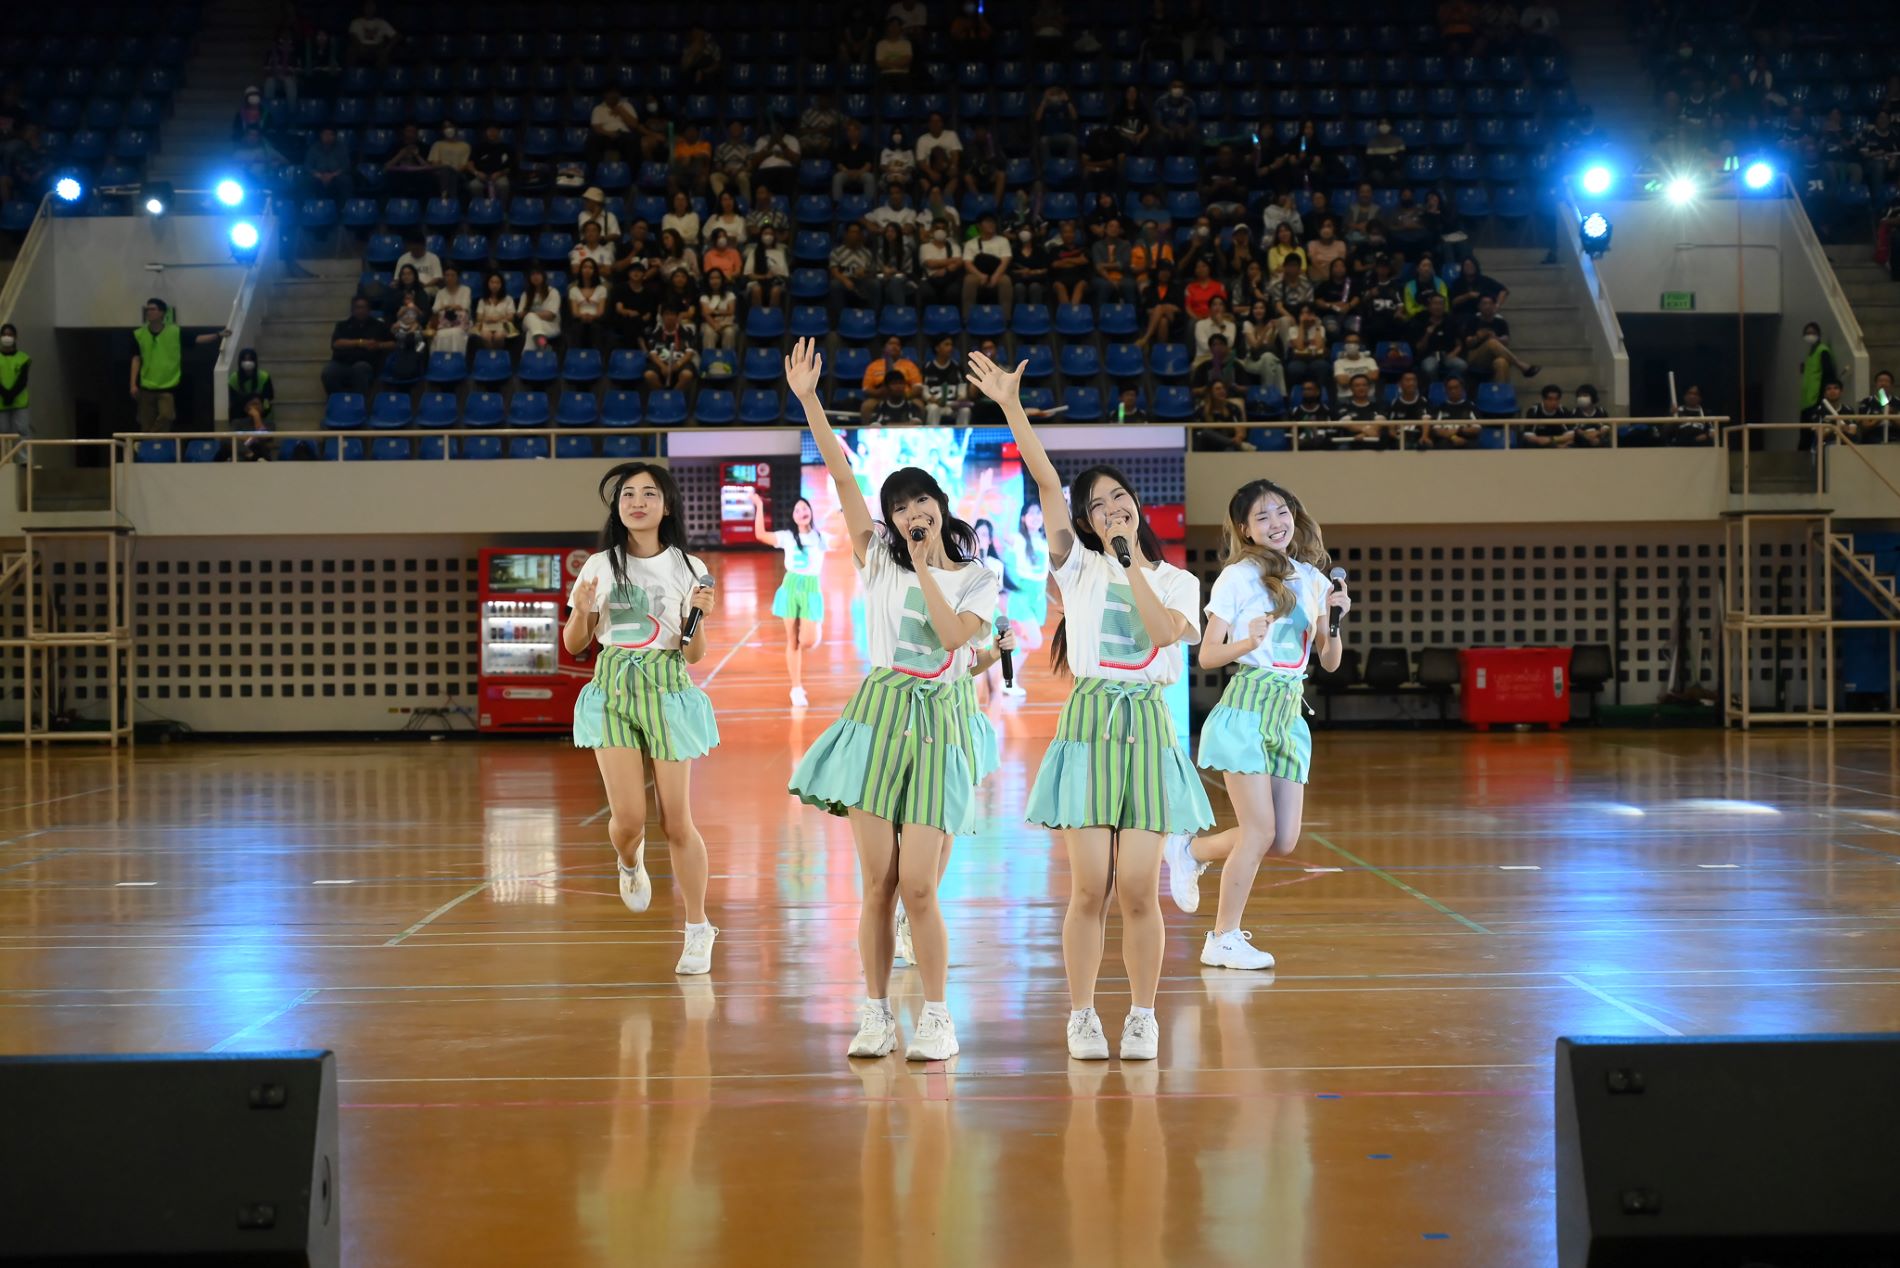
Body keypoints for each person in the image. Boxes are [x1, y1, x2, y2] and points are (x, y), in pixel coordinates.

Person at [965, 349, 1212, 1062]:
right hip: (1089, 725)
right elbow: (1046, 479)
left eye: (1117, 499)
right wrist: (1012, 408)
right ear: (1084, 520)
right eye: (1096, 505)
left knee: (1138, 888)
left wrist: (1133, 563)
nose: (1110, 509)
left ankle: (1142, 1015)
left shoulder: (1177, 581)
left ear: (1136, 505)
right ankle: (1081, 1015)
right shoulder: (1075, 565)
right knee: (1090, 888)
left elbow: (1163, 635)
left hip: (1148, 727)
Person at [784, 337, 998, 1062]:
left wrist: (930, 566)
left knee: (920, 887)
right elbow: (843, 478)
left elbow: (953, 638)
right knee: (877, 883)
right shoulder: (876, 555)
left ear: (940, 507)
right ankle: (874, 1014)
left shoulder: (978, 578)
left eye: (921, 502)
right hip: (877, 717)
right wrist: (810, 401)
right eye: (899, 507)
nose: (911, 513)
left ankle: (937, 1017)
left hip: (939, 723)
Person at [1161, 479, 1348, 972]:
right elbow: (1207, 655)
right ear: (1245, 529)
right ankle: (1222, 938)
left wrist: (1333, 621)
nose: (1275, 524)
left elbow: (1329, 661)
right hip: (1246, 710)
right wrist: (1247, 642)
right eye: (1262, 517)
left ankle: (1191, 849)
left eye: (1281, 512)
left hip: (1288, 714)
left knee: (1282, 840)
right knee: (1259, 830)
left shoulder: (1313, 579)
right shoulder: (1237, 578)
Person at [565, 463, 720, 976]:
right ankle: (629, 861)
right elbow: (575, 643)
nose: (637, 501)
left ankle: (698, 929)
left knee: (676, 821)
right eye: (628, 494)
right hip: (612, 688)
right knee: (628, 819)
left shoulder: (689, 567)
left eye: (649, 493)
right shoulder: (599, 566)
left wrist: (699, 615)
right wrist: (581, 610)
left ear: (667, 505)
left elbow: (693, 652)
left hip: (668, 688)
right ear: (618, 507)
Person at [750, 489, 829, 708]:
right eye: (797, 510)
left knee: (809, 641)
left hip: (811, 589)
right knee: (792, 640)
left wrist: (842, 516)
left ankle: (813, 629)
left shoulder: (821, 538)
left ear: (810, 511)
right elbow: (760, 534)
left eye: (804, 507)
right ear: (793, 516)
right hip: (790, 587)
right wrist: (759, 506)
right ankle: (796, 688)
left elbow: (843, 541)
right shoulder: (786, 536)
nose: (802, 511)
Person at [132, 300, 229, 432]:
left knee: (167, 416)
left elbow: (197, 339)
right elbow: (136, 359)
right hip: (146, 386)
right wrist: (132, 384)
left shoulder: (174, 332)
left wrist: (218, 335)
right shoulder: (139, 334)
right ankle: (149, 442)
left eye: (152, 309)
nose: (149, 312)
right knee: (145, 422)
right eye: (147, 309)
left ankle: (149, 439)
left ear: (162, 313)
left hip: (167, 386)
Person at [322, 295, 393, 396]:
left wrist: (378, 345)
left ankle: (358, 401)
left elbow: (393, 344)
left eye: (363, 307)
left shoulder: (379, 326)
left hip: (366, 363)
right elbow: (336, 343)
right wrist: (360, 342)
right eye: (357, 307)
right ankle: (338, 399)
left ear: (369, 309)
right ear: (352, 309)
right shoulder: (343, 325)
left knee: (360, 368)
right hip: (342, 362)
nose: (360, 310)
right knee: (328, 372)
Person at [643, 307, 699, 393]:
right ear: (662, 317)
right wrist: (663, 366)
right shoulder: (656, 332)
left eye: (673, 314)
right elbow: (652, 354)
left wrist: (677, 365)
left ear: (677, 317)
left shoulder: (686, 332)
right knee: (649, 375)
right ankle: (662, 395)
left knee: (687, 375)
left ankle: (673, 396)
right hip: (661, 362)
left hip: (680, 362)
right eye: (667, 314)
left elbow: (689, 353)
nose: (670, 317)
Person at [0, 324, 29, 462]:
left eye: (10, 334)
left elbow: (22, 380)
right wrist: (5, 394)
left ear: (15, 337)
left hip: (20, 403)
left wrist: (11, 395)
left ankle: (24, 460)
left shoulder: (23, 358)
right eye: (4, 334)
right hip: (1, 402)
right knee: (2, 432)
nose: (7, 337)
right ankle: (4, 459)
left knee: (22, 431)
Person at [517, 270, 563, 350]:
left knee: (530, 333)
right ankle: (543, 344)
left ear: (543, 276)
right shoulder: (525, 294)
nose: (535, 277)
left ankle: (528, 356)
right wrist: (535, 315)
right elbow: (520, 314)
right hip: (527, 324)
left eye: (538, 274)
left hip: (550, 325)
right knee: (530, 317)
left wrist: (530, 314)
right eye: (533, 274)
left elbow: (550, 315)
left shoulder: (553, 292)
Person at [346, 0, 399, 67]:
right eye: (367, 6)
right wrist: (359, 45)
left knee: (383, 53)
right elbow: (352, 35)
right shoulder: (356, 22)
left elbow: (396, 36)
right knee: (351, 50)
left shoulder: (382, 22)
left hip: (377, 47)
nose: (369, 9)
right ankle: (352, 72)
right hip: (361, 46)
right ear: (363, 8)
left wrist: (387, 49)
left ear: (375, 8)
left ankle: (381, 73)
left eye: (372, 6)